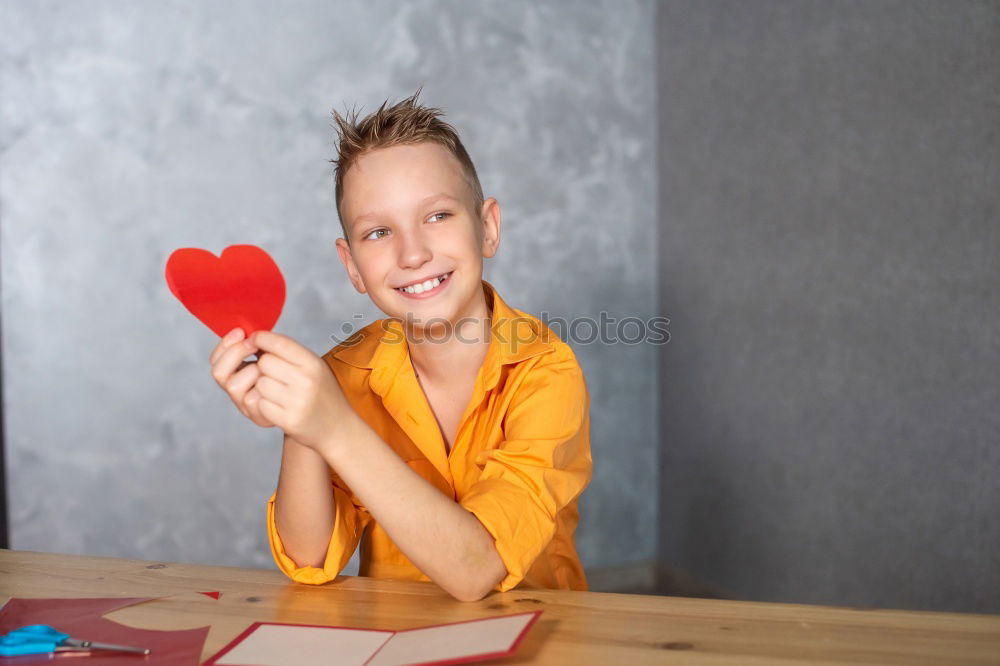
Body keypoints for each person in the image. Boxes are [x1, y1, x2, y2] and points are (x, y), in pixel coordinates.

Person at [208, 91, 592, 601]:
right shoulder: (342, 376)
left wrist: (335, 427)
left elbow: (478, 571)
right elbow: (308, 558)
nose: (412, 253)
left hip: (539, 631)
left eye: (437, 216)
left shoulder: (545, 373)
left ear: (488, 228)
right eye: (379, 231)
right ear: (352, 267)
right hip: (393, 635)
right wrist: (303, 422)